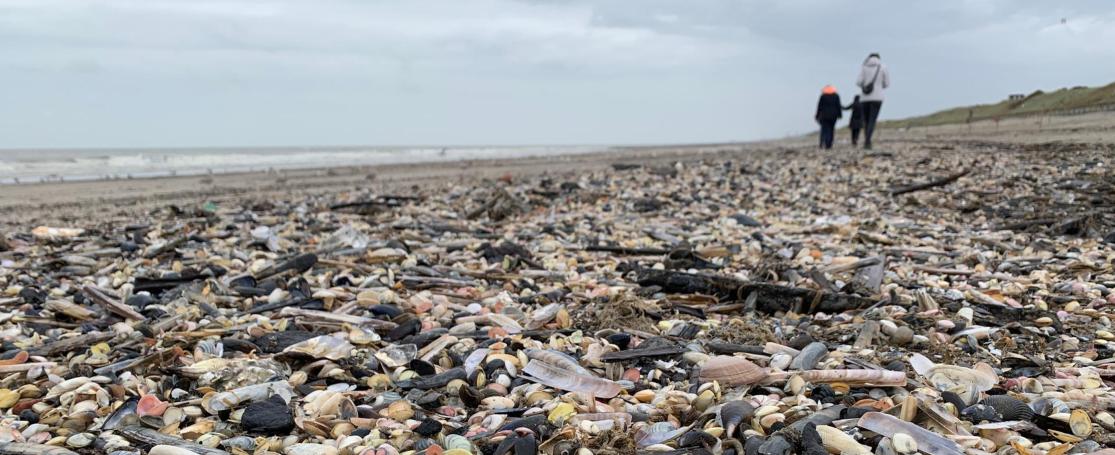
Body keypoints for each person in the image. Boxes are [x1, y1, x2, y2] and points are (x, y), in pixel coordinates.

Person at [855, 53, 889, 149]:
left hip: (865, 98)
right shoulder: (883, 67)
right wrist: (878, 85)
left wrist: (865, 85)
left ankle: (867, 139)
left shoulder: (864, 67)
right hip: (877, 97)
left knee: (866, 120)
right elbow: (886, 84)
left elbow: (858, 82)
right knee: (872, 120)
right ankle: (868, 140)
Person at [814, 85, 842, 149]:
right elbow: (838, 106)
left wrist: (817, 115)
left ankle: (824, 143)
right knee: (831, 129)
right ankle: (829, 144)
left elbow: (819, 107)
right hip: (833, 116)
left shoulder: (823, 96)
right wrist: (840, 115)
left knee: (825, 129)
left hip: (824, 116)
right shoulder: (836, 96)